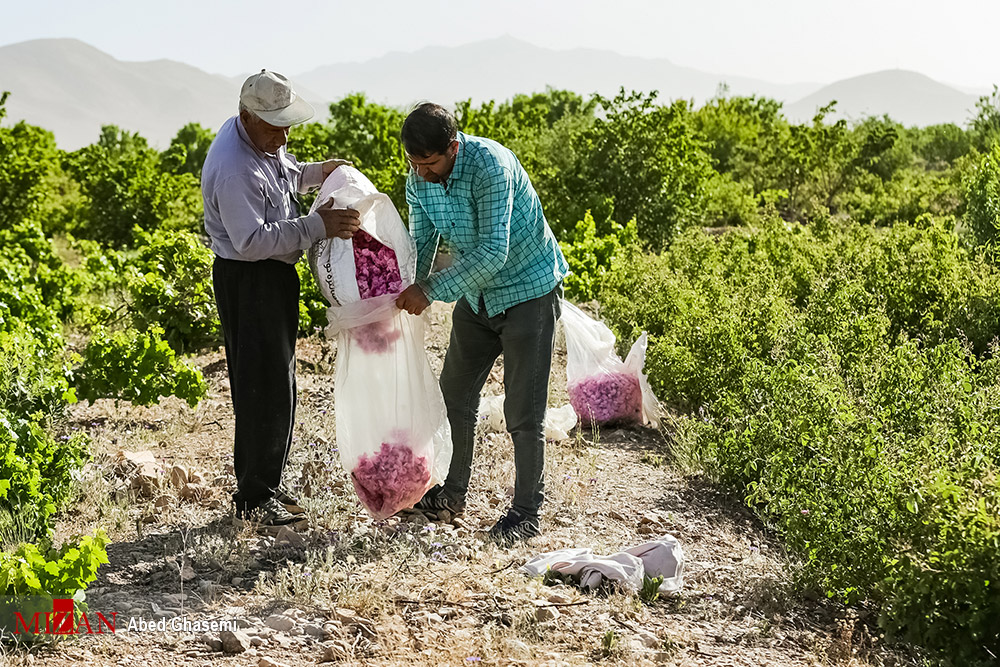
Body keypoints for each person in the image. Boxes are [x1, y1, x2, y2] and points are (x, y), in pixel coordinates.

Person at [395, 103, 568, 544]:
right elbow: (421, 239)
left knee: (523, 411)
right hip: (477, 295)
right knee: (454, 392)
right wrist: (407, 285)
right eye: (414, 163)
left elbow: (494, 251)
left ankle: (526, 513)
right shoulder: (419, 176)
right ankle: (452, 494)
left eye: (429, 163)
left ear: (453, 147)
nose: (422, 172)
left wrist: (430, 290)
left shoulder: (491, 166)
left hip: (527, 289)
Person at [202, 70, 361, 527]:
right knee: (261, 387)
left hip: (270, 278)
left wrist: (318, 174)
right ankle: (254, 498)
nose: (284, 134)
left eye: (286, 124)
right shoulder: (234, 168)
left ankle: (266, 482)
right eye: (275, 126)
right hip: (249, 279)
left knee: (279, 383)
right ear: (246, 116)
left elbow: (284, 174)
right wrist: (318, 226)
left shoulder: (260, 142)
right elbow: (251, 241)